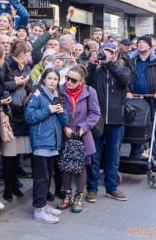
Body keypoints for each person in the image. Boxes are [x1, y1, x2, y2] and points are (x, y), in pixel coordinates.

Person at [86, 42, 131, 202]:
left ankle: (111, 188)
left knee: (113, 156)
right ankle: (91, 189)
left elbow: (124, 81)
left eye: (109, 51)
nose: (105, 54)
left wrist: (110, 63)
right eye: (103, 51)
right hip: (97, 120)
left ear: (115, 55)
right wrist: (91, 64)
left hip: (116, 120)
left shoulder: (123, 70)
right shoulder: (96, 72)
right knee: (94, 156)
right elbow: (85, 82)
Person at [24, 68, 69, 224]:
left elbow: (65, 121)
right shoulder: (37, 95)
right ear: (43, 80)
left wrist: (61, 111)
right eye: (49, 78)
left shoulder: (56, 96)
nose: (52, 81)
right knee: (41, 178)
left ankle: (43, 205)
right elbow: (29, 117)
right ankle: (38, 210)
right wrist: (48, 110)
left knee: (48, 175)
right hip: (41, 141)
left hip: (53, 143)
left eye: (55, 79)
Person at [58, 65, 100, 213]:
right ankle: (68, 196)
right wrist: (64, 127)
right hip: (65, 134)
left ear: (81, 81)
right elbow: (55, 110)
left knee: (81, 166)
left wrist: (83, 128)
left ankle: (78, 197)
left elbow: (95, 113)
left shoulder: (90, 91)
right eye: (67, 78)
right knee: (65, 165)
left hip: (82, 135)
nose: (69, 82)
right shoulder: (59, 89)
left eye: (73, 80)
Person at [125, 35, 156, 162]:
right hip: (135, 102)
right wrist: (128, 91)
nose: (141, 44)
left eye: (144, 42)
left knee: (154, 132)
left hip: (154, 101)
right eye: (139, 42)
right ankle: (134, 159)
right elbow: (124, 78)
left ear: (150, 46)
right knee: (135, 131)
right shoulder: (130, 60)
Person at [2, 40, 33, 201]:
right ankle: (8, 187)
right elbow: (0, 85)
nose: (29, 57)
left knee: (17, 155)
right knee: (9, 154)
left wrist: (30, 88)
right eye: (28, 53)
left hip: (23, 113)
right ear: (22, 54)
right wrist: (16, 82)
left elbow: (30, 84)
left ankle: (14, 184)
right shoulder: (6, 64)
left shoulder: (27, 67)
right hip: (10, 113)